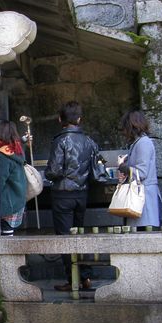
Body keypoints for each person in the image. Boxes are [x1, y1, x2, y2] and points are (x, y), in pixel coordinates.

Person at [44, 101, 101, 291]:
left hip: (63, 194)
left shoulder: (60, 141)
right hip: (82, 194)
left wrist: (47, 175)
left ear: (60, 119)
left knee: (65, 238)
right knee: (79, 236)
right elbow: (96, 168)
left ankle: (74, 279)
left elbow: (54, 171)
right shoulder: (89, 141)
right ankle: (84, 276)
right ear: (79, 119)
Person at [116, 111, 162, 228]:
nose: (124, 132)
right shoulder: (138, 142)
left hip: (144, 200)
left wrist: (123, 167)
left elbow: (142, 173)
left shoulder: (143, 143)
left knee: (144, 232)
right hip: (141, 198)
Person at [0, 120, 27, 236]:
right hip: (17, 201)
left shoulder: (2, 156)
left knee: (5, 241)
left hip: (7, 204)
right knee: (9, 236)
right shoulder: (16, 150)